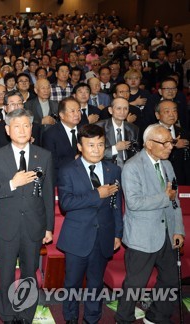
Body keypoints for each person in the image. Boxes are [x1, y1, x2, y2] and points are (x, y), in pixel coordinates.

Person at [0, 109, 54, 323]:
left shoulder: (44, 155)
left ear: (31, 128)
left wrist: (48, 227)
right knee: (5, 275)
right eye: (16, 126)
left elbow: (48, 195)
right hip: (7, 226)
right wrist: (13, 183)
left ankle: (25, 314)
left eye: (26, 125)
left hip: (34, 226)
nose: (22, 130)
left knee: (29, 273)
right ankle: (6, 314)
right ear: (7, 130)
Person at [115, 124, 185, 323]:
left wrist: (178, 230)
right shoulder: (132, 167)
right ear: (148, 144)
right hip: (142, 236)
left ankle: (155, 316)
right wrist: (164, 197)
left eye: (171, 142)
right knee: (135, 285)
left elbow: (175, 200)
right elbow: (134, 203)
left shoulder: (168, 165)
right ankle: (123, 319)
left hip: (167, 233)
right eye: (165, 143)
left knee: (171, 280)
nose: (170, 147)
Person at [57, 124, 122, 324]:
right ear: (79, 146)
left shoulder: (113, 170)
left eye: (100, 144)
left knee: (96, 283)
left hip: (104, 235)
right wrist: (97, 194)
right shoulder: (68, 170)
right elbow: (66, 204)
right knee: (72, 284)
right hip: (77, 237)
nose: (96, 149)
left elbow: (116, 205)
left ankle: (92, 318)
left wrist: (117, 233)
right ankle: (70, 318)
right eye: (91, 145)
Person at [42, 97, 82, 179]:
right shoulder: (50, 134)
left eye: (78, 110)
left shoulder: (85, 130)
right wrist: (74, 159)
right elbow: (51, 161)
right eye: (72, 111)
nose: (77, 114)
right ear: (62, 115)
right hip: (63, 177)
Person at [95, 98, 139, 167]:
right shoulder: (99, 127)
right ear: (110, 110)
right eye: (118, 108)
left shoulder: (133, 128)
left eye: (125, 108)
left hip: (129, 167)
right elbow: (95, 152)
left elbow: (136, 152)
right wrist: (115, 148)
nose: (122, 112)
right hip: (106, 166)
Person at [155, 99, 190, 185]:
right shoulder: (151, 131)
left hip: (181, 179)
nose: (172, 114)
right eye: (167, 111)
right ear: (157, 115)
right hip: (159, 178)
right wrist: (173, 144)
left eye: (174, 111)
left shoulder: (184, 133)